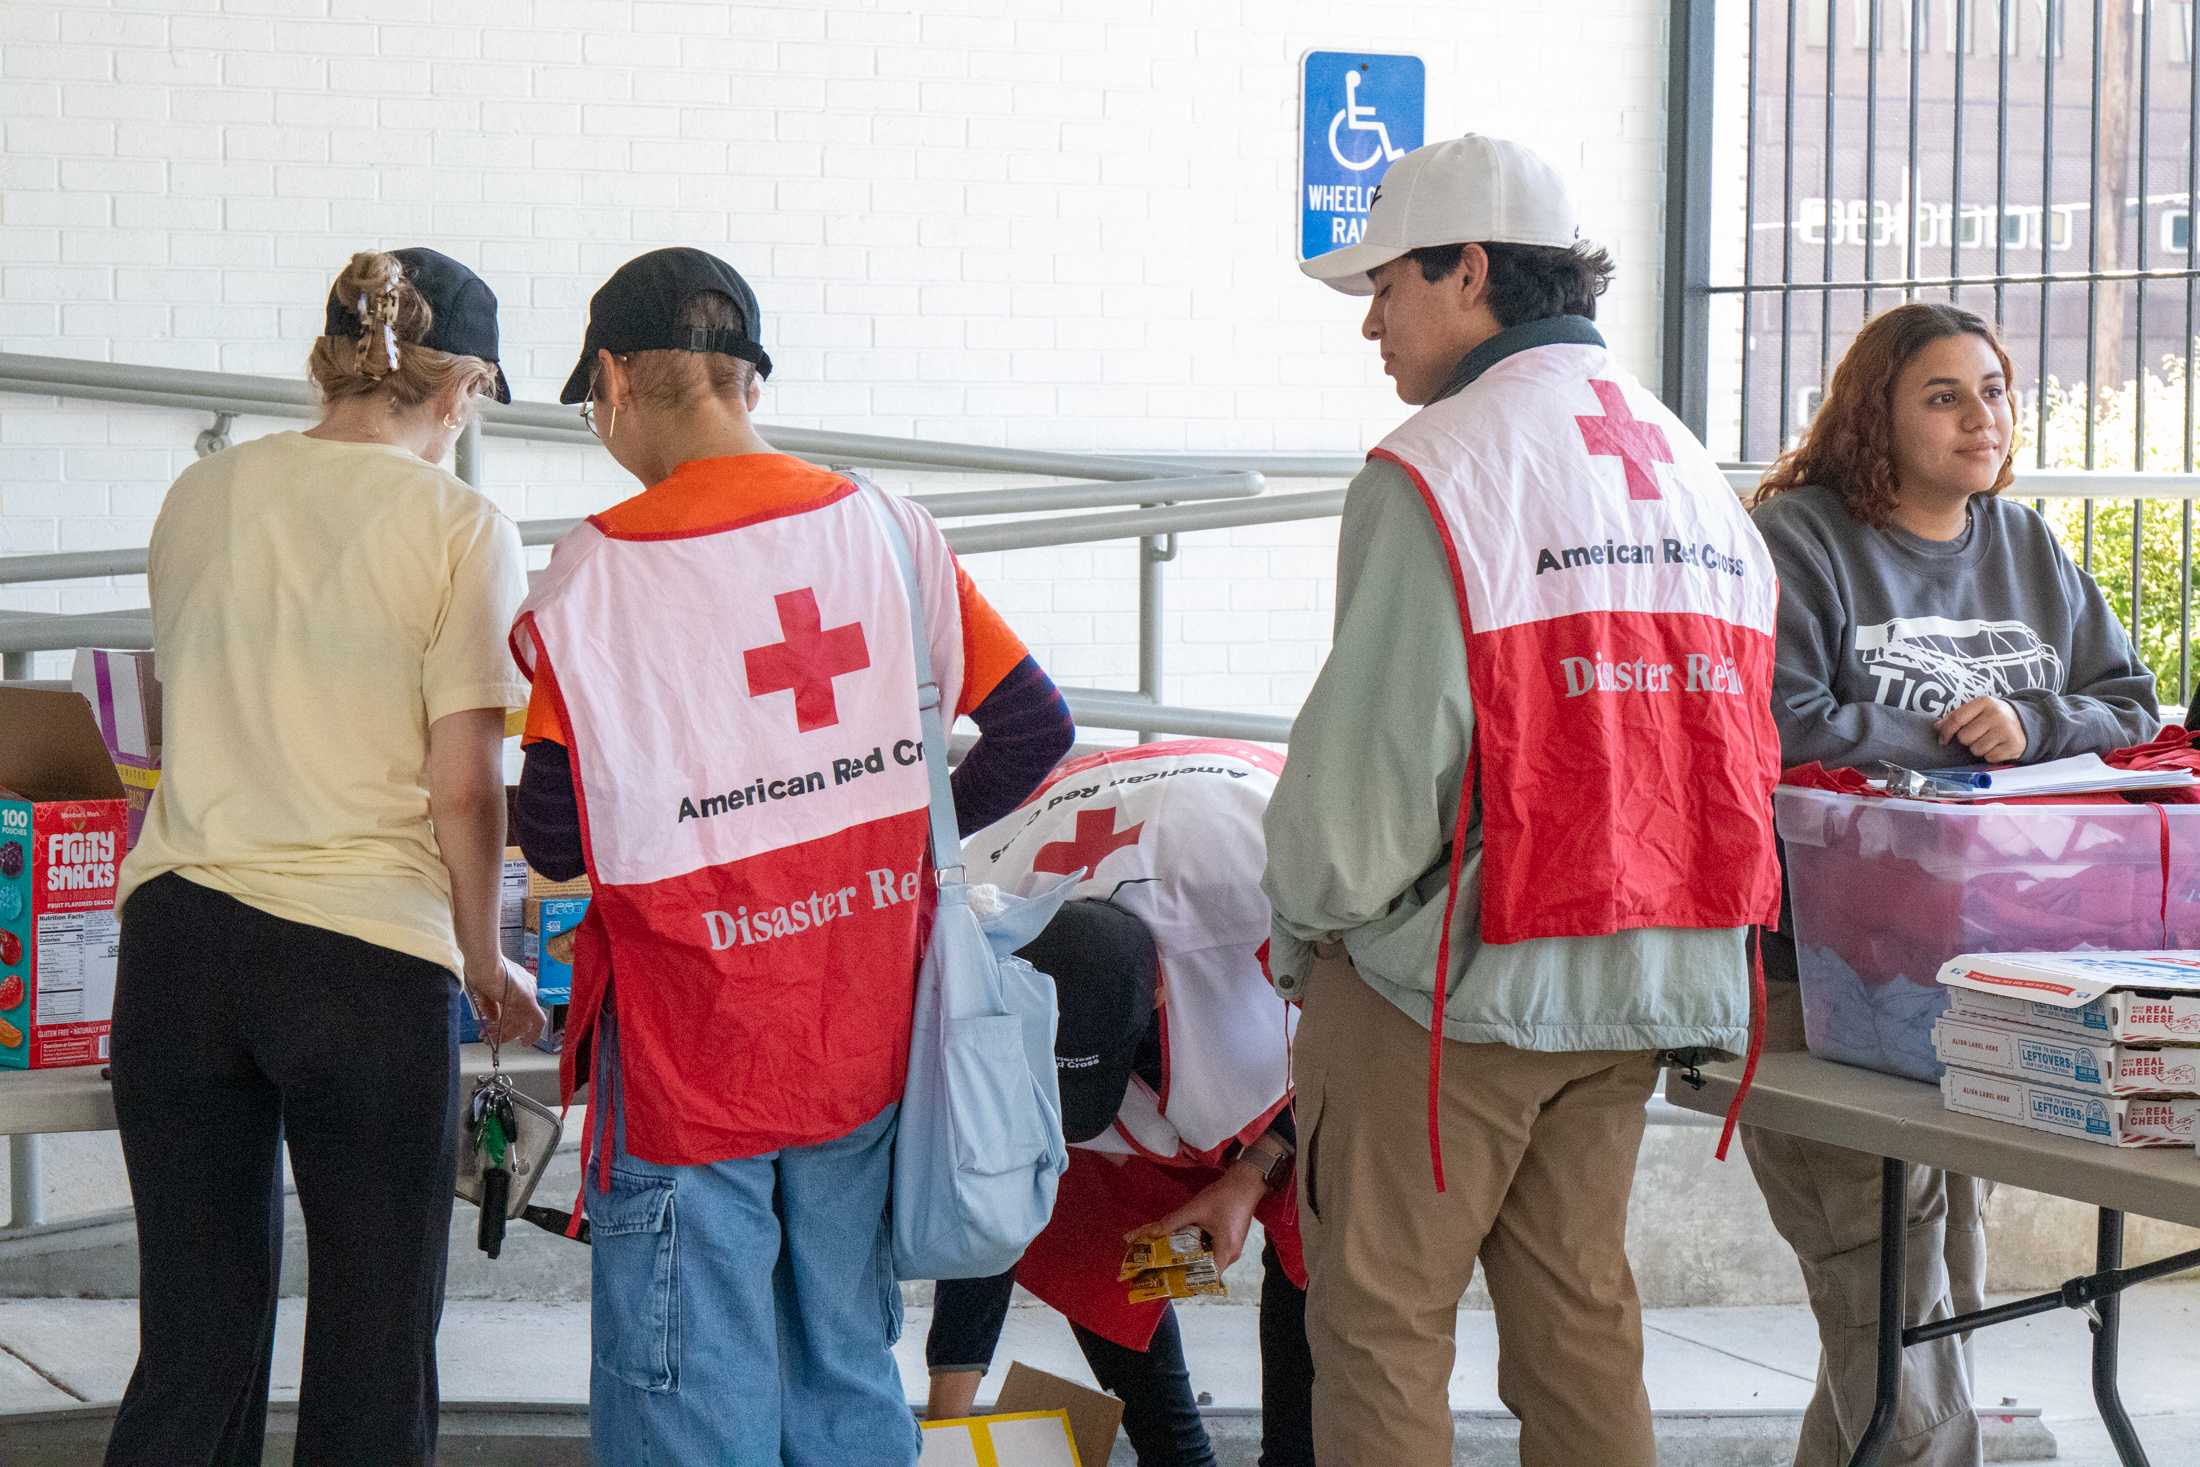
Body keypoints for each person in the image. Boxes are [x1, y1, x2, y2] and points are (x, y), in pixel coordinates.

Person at [1262, 135, 1784, 1467]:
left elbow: (1368, 773)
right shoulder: (1684, 465)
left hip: (1450, 986)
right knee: (1580, 1318)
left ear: (1471, 267)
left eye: (1388, 284)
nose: (1373, 322)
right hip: (1646, 963)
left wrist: (1310, 926)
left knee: (1382, 1325)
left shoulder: (1439, 466)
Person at [509, 246, 1073, 1467]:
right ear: (745, 381)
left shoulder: (596, 578)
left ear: (612, 377)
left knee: (687, 1405)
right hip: (859, 1036)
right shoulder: (885, 530)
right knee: (841, 1376)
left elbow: (551, 835)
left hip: (687, 1058)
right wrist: (907, 860)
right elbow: (1037, 729)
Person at [104, 248, 545, 1467]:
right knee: (372, 1335)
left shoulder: (203, 493)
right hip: (361, 958)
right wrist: (484, 953)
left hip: (179, 943)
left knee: (193, 1339)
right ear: (459, 390)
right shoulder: (462, 524)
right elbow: (462, 782)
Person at [1746, 301, 2160, 1467]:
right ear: (1873, 414)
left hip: (1994, 971)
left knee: (1936, 1286)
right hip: (1819, 975)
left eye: (1995, 388)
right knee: (1884, 1283)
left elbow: (2129, 704)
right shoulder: (1799, 538)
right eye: (1944, 394)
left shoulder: (2023, 541)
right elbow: (1777, 727)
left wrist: (2028, 721)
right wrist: (1949, 734)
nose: (1984, 417)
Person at [925, 740, 1312, 1467]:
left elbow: (1367, 1047)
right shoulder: (970, 932)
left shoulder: (1269, 883)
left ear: (1161, 992)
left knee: (1325, 1213)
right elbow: (988, 1198)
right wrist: (948, 1432)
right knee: (1071, 1209)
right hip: (1087, 866)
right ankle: (1176, 1454)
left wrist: (1252, 1170)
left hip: (1264, 945)